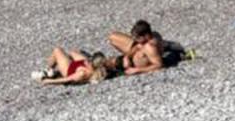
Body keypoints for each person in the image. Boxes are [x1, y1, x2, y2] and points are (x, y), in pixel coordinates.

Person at [37, 20, 167, 83]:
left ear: (145, 36)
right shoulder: (146, 41)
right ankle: (54, 69)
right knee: (112, 37)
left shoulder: (150, 47)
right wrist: (128, 55)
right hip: (125, 61)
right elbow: (138, 47)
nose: (135, 40)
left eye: (137, 38)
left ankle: (49, 70)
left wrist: (137, 70)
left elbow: (159, 65)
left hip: (121, 65)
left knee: (66, 53)